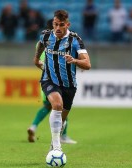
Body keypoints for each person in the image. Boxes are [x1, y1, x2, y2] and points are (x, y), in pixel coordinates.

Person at [33, 10, 91, 151]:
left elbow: (87, 64)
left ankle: (57, 137)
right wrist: (36, 58)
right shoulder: (46, 35)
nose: (58, 28)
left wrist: (75, 60)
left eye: (61, 25)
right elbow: (41, 44)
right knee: (57, 105)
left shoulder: (75, 40)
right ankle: (56, 147)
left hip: (69, 85)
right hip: (49, 80)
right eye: (55, 24)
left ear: (67, 24)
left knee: (62, 121)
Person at [27, 19, 77, 144]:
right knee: (61, 107)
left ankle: (33, 127)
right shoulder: (57, 44)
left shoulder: (42, 42)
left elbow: (38, 60)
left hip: (45, 81)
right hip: (54, 81)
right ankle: (62, 136)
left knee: (50, 106)